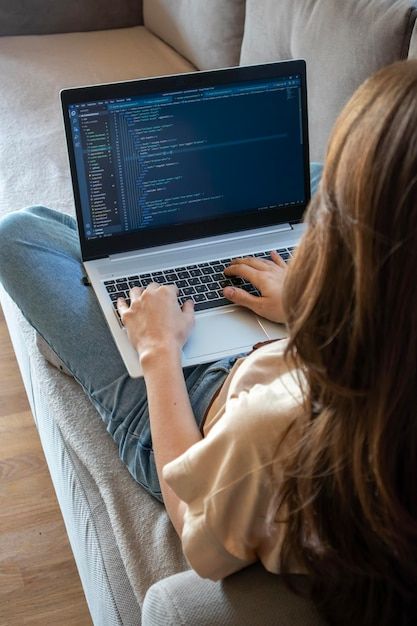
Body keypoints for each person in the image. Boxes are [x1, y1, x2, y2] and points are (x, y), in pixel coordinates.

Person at [0, 59, 416, 626]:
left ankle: (139, 250)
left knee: (20, 236)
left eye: (338, 222)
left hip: (194, 406)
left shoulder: (273, 435)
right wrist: (309, 306)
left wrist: (158, 350)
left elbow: (189, 515)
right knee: (307, 181)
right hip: (297, 342)